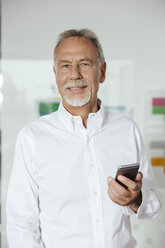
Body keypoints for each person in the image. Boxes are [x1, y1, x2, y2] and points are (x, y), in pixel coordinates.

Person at [6, 29, 161, 248]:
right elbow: (21, 225)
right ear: (56, 74)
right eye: (65, 65)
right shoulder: (32, 137)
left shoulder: (127, 130)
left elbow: (154, 201)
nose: (75, 74)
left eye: (85, 64)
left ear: (103, 72)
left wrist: (135, 199)